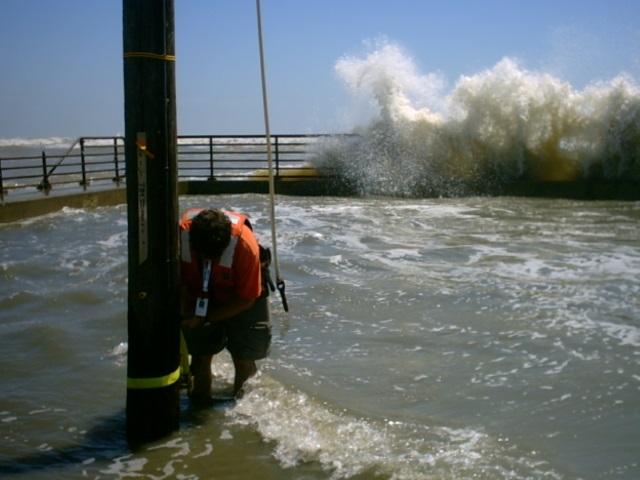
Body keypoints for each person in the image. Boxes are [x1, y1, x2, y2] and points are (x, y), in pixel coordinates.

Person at [179, 208, 272, 402]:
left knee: (244, 358)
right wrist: (183, 307)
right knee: (200, 354)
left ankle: (242, 416)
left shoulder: (246, 246)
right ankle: (199, 408)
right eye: (203, 255)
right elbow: (174, 279)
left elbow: (247, 298)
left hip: (242, 296)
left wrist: (205, 317)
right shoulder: (180, 235)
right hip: (199, 291)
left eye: (212, 256)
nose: (207, 260)